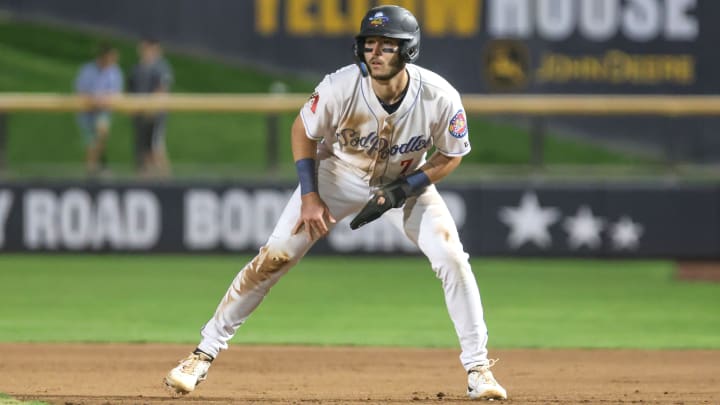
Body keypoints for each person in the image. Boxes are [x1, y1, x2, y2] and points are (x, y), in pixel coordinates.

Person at [164, 4, 507, 401]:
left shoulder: (439, 96)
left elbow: (451, 155)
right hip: (336, 174)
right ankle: (201, 354)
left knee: (452, 257)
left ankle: (478, 368)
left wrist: (402, 190)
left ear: (409, 50)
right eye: (369, 44)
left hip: (404, 183)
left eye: (387, 46)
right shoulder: (340, 86)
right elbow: (302, 130)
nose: (375, 53)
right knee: (276, 255)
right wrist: (310, 196)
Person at [74, 43, 123, 176]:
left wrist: (105, 100)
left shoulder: (114, 71)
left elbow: (116, 94)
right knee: (91, 142)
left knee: (101, 135)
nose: (113, 61)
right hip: (87, 112)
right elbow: (80, 92)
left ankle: (94, 169)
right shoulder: (88, 70)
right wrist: (93, 99)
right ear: (104, 56)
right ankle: (96, 168)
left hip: (103, 111)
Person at [127, 37, 174, 177]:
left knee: (156, 146)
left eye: (149, 48)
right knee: (142, 150)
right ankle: (145, 181)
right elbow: (130, 90)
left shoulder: (162, 66)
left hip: (156, 114)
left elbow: (162, 89)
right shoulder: (136, 68)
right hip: (139, 114)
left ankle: (167, 181)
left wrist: (150, 108)